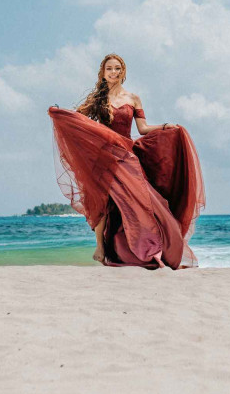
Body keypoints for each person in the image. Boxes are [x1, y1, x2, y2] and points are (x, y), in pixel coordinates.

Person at [48, 53, 205, 269]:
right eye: (109, 69)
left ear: (123, 72)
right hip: (104, 155)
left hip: (126, 155)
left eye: (117, 68)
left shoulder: (133, 98)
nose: (114, 72)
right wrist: (59, 114)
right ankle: (101, 248)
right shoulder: (97, 100)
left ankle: (150, 248)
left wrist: (164, 127)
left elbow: (143, 128)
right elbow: (79, 120)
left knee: (144, 200)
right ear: (103, 74)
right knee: (102, 200)